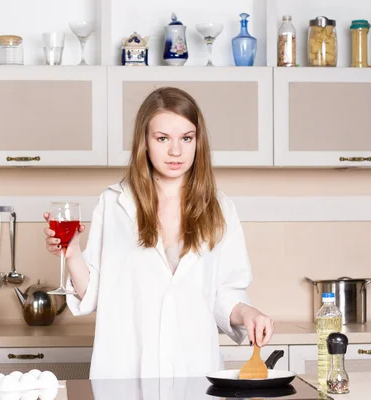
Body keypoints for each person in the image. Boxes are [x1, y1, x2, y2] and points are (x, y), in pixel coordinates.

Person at [43, 87, 274, 379]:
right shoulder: (115, 203)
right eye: (163, 138)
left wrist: (249, 314)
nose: (176, 151)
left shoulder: (220, 208)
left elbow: (225, 293)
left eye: (186, 138)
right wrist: (72, 253)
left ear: (197, 142)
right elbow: (94, 293)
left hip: (193, 369)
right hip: (125, 369)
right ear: (145, 142)